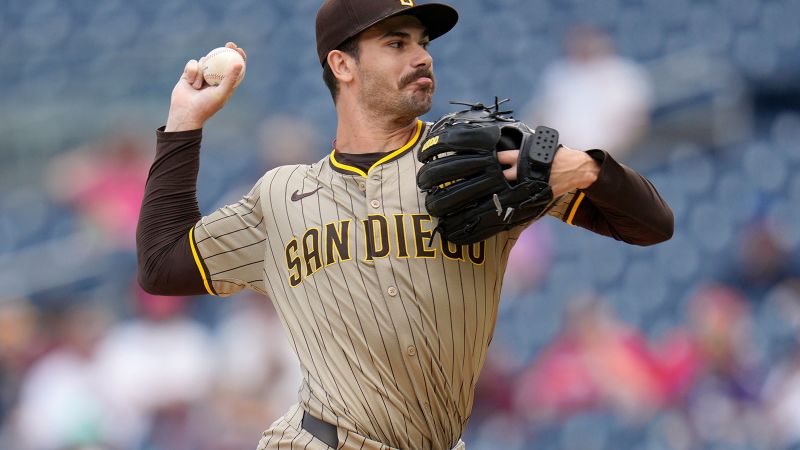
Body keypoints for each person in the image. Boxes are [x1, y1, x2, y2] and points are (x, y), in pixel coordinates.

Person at [136, 1, 673, 449]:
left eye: (423, 43)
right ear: (342, 65)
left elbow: (652, 225)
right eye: (397, 43)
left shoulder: (484, 155)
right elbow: (161, 268)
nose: (421, 57)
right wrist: (185, 120)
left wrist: (584, 166)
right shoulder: (280, 195)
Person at [525, 25, 653, 161]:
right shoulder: (558, 73)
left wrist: (606, 159)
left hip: (608, 157)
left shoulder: (623, 73)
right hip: (563, 158)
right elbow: (540, 116)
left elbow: (637, 122)